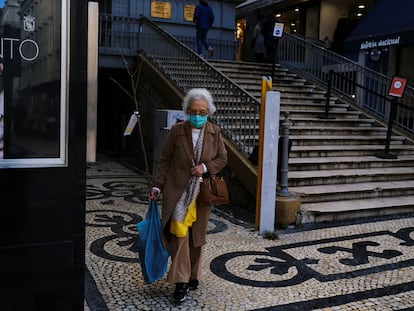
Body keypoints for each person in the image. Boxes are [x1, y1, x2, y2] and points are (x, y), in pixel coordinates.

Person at [148, 88, 227, 303]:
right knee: (179, 233)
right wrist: (157, 186)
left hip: (201, 193)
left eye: (202, 112)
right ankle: (181, 281)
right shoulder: (176, 131)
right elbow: (164, 160)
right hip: (177, 192)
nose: (198, 116)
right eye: (194, 111)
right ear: (187, 111)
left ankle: (193, 273)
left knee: (196, 237)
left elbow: (222, 159)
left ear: (209, 112)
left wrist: (205, 166)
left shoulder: (214, 132)